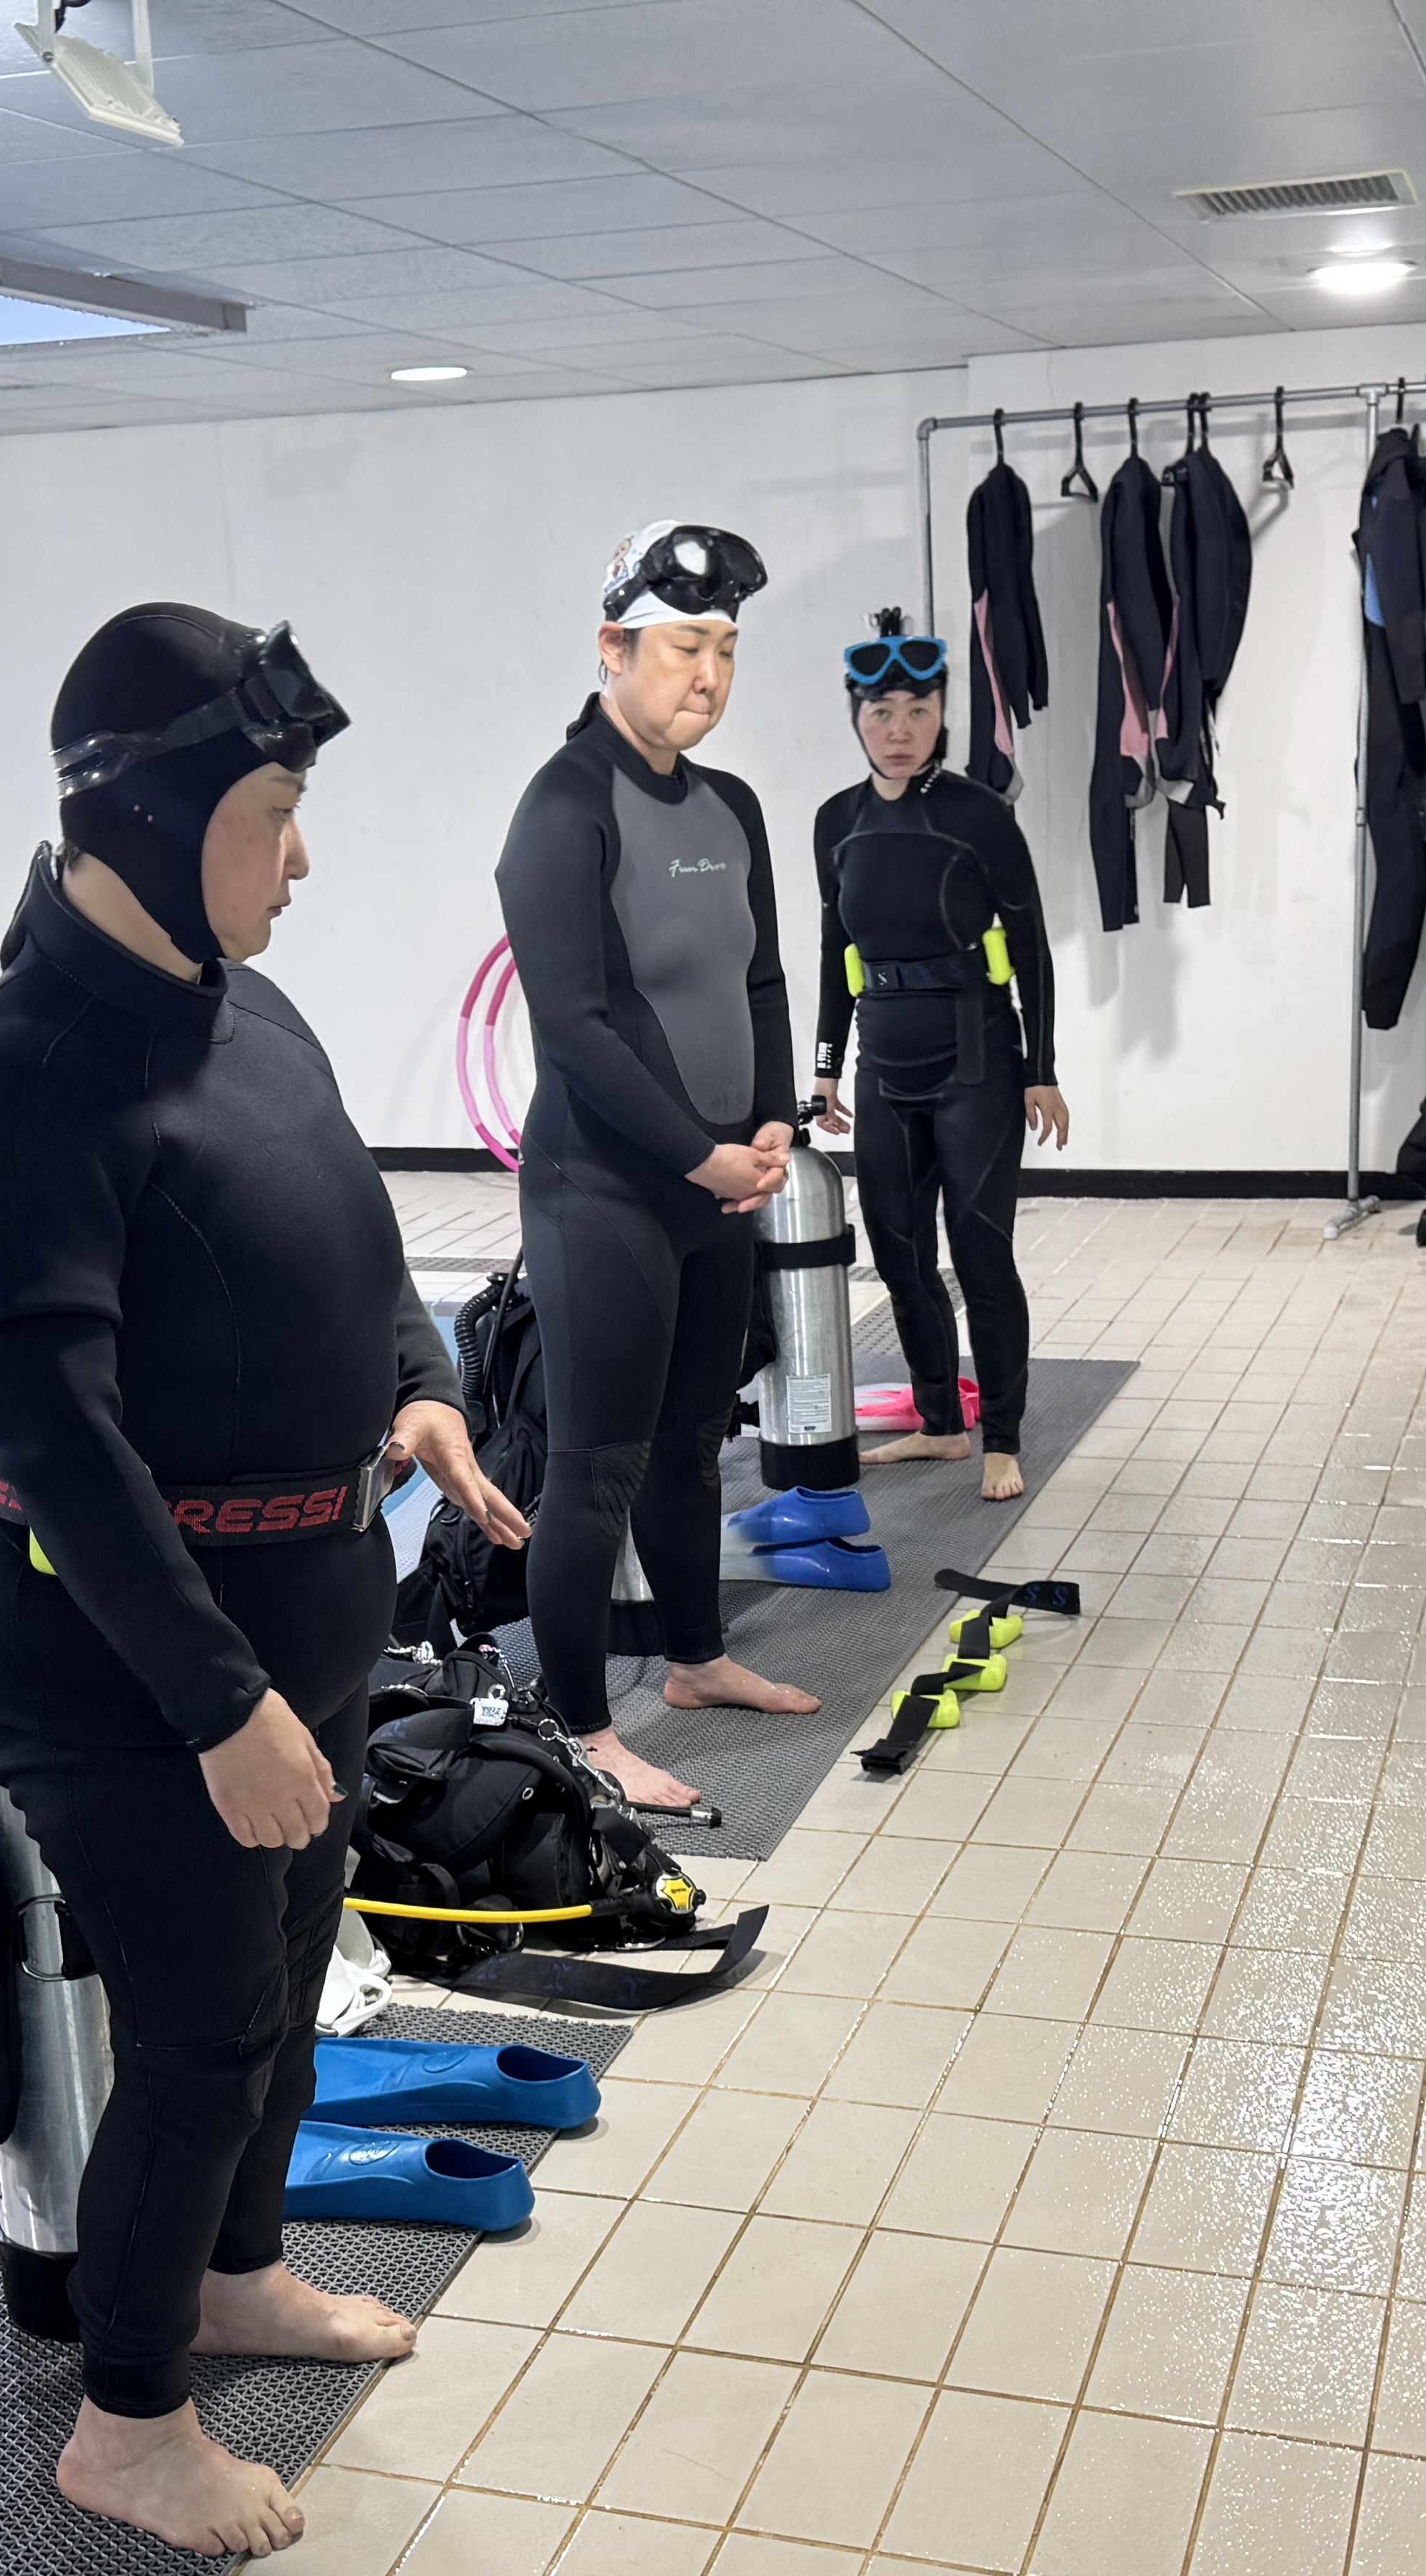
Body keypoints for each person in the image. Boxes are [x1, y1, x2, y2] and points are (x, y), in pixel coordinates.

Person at [0, 606, 531, 2560]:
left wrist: (423, 1390)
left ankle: (235, 2273)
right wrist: (218, 1703)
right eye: (272, 812)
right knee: (199, 2031)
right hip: (125, 1658)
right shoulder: (15, 1090)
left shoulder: (246, 1010)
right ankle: (129, 2420)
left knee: (281, 1987)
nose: (302, 856)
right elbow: (61, 1445)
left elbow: (351, 1251)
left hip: (305, 1612)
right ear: (156, 817)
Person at [495, 521, 819, 1813]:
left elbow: (762, 979)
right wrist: (698, 1155)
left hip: (717, 1183)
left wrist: (774, 1120)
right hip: (606, 1193)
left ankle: (694, 1660)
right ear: (613, 647)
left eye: (726, 648)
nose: (711, 674)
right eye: (686, 646)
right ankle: (581, 1726)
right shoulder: (561, 809)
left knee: (692, 1439)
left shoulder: (732, 807)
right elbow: (574, 1029)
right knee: (597, 1467)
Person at [809, 608, 1066, 1504]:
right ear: (856, 718)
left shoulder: (979, 817)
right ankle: (940, 1423)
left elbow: (1031, 949)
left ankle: (1003, 1437)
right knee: (900, 1256)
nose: (900, 729)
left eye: (918, 710)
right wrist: (826, 1064)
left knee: (982, 1254)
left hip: (975, 1058)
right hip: (884, 1059)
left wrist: (1042, 1068)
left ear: (943, 714)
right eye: (881, 712)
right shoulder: (835, 823)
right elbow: (834, 948)